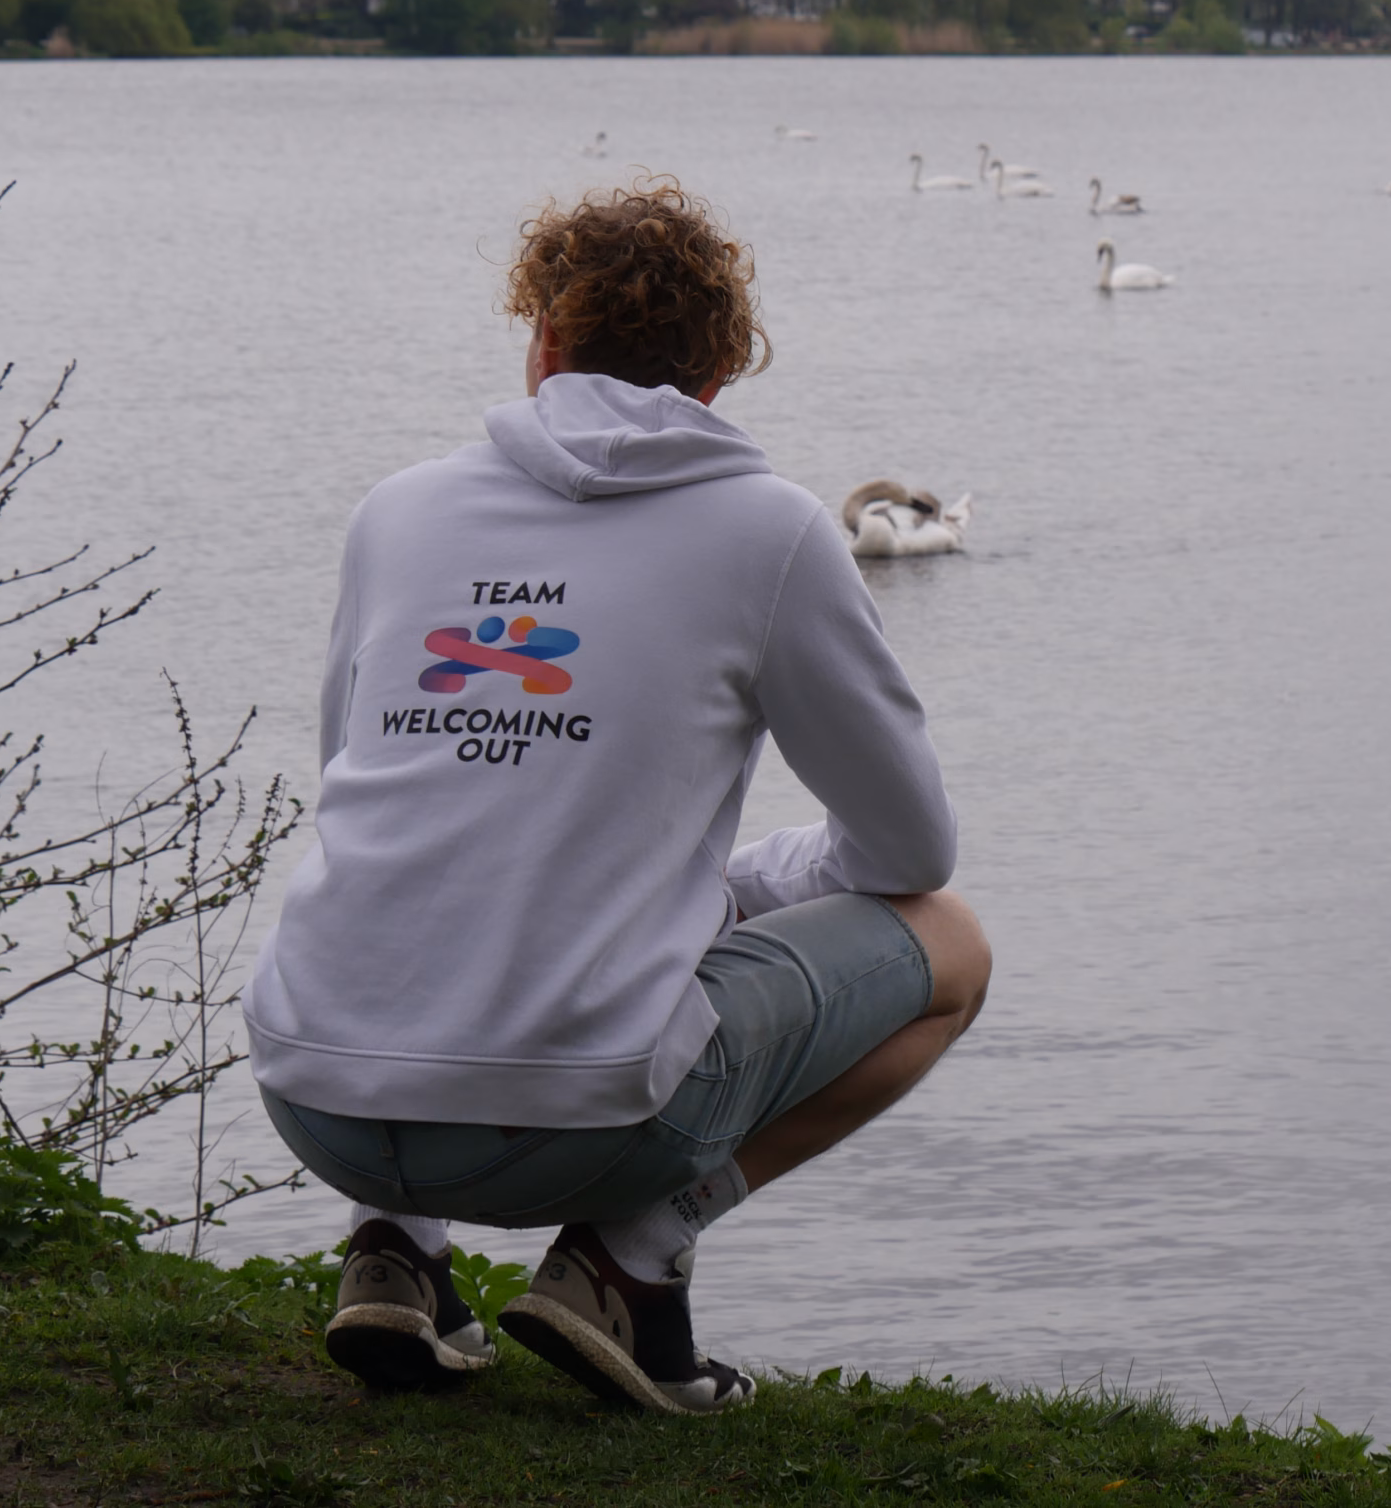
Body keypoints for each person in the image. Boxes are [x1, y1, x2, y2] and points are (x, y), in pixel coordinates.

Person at [244, 178, 990, 1414]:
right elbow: (910, 844)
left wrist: (698, 887)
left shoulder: (399, 511)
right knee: (950, 942)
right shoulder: (770, 532)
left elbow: (360, 793)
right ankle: (627, 1259)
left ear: (542, 339)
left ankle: (395, 1250)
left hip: (316, 1092)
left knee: (419, 865)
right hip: (575, 1125)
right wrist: (739, 886)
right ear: (716, 373)